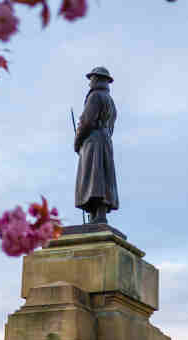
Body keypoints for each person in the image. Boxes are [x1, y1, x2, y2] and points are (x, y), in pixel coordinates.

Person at [74, 67, 119, 224]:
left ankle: (98, 213)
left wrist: (77, 141)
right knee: (101, 176)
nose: (89, 83)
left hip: (93, 140)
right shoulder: (111, 102)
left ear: (98, 79)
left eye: (91, 79)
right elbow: (112, 126)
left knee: (95, 177)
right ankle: (97, 214)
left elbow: (87, 121)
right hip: (105, 140)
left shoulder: (94, 97)